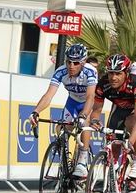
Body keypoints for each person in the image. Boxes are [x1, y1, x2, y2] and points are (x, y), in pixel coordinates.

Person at [29, 43, 97, 178]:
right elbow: (49, 95)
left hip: (86, 103)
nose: (71, 66)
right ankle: (65, 164)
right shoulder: (60, 71)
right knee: (60, 130)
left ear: (83, 62)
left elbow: (90, 97)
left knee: (84, 124)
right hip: (72, 102)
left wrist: (83, 115)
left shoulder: (90, 71)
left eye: (76, 63)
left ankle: (82, 160)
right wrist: (36, 111)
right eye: (68, 62)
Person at [89, 54, 136, 193]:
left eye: (118, 73)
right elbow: (96, 110)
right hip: (119, 108)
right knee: (112, 140)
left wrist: (130, 142)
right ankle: (110, 182)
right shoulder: (103, 84)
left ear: (126, 73)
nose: (113, 77)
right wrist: (95, 120)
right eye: (111, 73)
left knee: (131, 123)